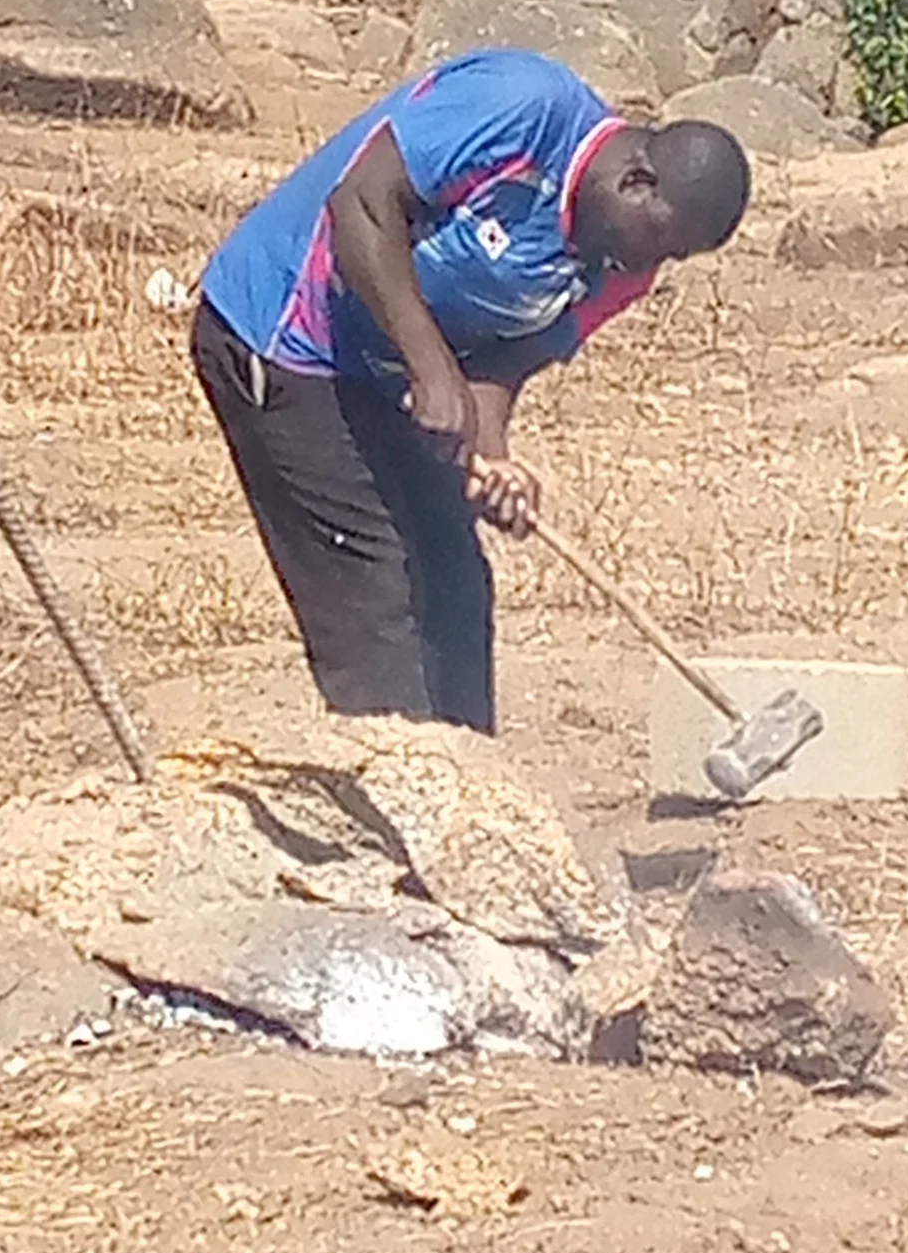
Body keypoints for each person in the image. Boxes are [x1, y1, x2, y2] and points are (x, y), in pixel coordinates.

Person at [193, 47, 750, 736]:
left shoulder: (622, 269)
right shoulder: (522, 108)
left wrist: (493, 458)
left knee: (454, 588)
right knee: (372, 588)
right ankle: (397, 806)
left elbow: (502, 365)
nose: (653, 265)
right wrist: (431, 372)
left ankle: (472, 796)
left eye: (678, 257)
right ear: (637, 180)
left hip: (390, 373)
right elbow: (362, 204)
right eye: (661, 239)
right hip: (283, 338)